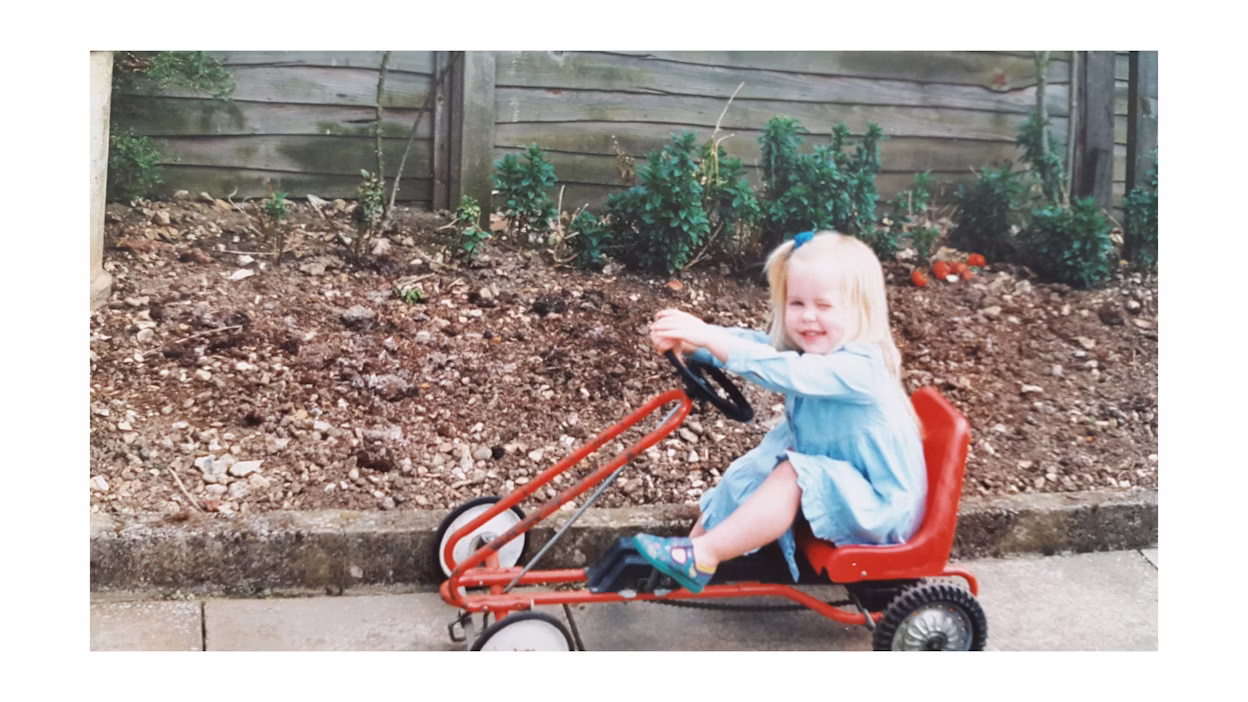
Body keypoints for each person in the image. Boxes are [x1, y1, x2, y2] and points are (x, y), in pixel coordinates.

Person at [634, 230, 927, 593]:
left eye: (824, 306)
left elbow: (790, 372)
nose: (808, 318)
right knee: (752, 469)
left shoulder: (862, 368)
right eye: (797, 304)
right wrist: (696, 343)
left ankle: (703, 554)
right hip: (844, 484)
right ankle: (686, 558)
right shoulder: (816, 349)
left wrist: (713, 340)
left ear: (860, 308)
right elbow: (762, 347)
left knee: (792, 474)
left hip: (879, 509)